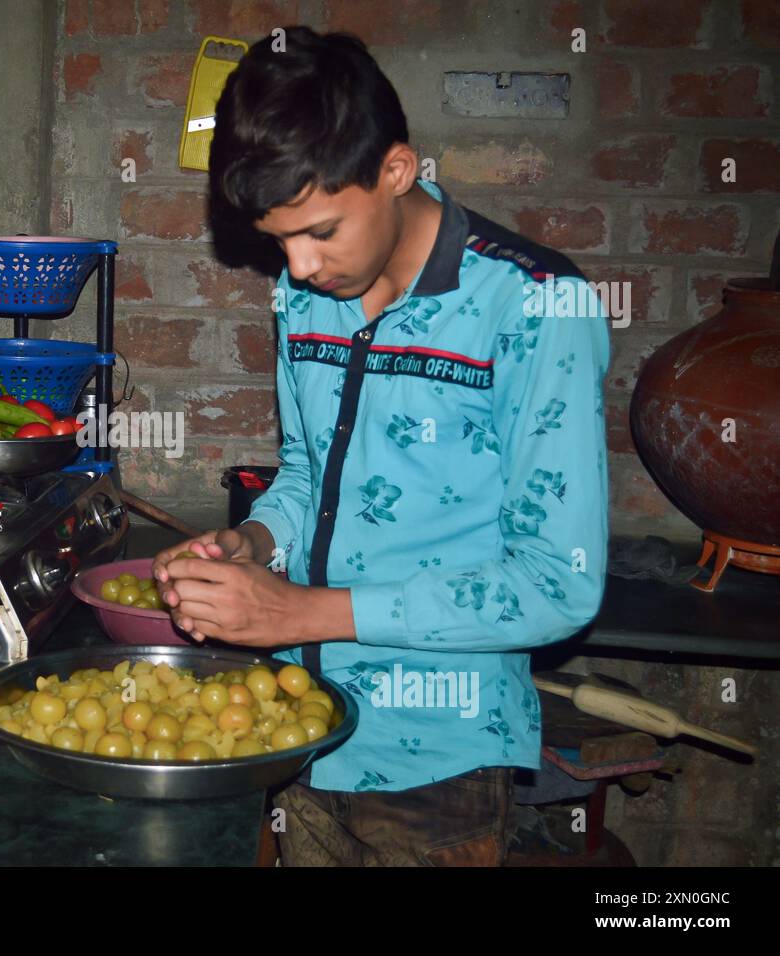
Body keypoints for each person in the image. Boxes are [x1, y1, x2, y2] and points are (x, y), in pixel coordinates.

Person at [152, 27, 611, 867]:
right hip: (293, 721)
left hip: (440, 761)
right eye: (276, 238)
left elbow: (559, 585)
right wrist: (254, 541)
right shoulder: (308, 299)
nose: (296, 268)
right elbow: (305, 474)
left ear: (397, 171)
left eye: (320, 231)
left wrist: (300, 612)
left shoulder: (538, 307)